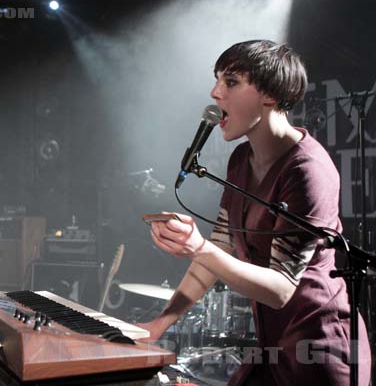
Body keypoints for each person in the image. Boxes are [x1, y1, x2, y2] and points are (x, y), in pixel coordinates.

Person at [140, 40, 371, 385]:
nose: (214, 93)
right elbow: (218, 248)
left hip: (320, 351)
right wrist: (159, 324)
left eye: (230, 82)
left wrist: (199, 247)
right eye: (217, 80)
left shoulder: (307, 170)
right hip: (272, 346)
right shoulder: (239, 160)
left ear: (271, 95)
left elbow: (280, 290)